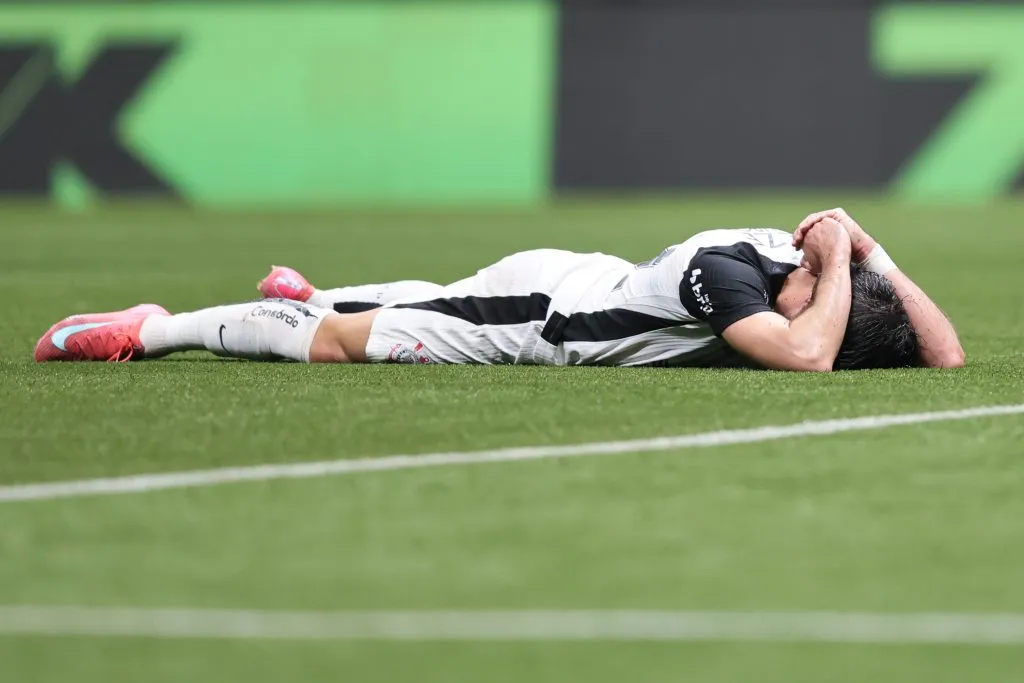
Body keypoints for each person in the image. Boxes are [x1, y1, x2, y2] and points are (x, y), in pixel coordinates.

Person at [34, 208, 964, 371]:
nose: (818, 313)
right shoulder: (724, 272)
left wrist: (871, 250)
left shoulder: (806, 274)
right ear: (807, 277)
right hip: (537, 319)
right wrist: (840, 263)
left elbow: (946, 351)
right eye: (820, 291)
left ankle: (318, 288)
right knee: (338, 344)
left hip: (569, 275)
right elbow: (806, 354)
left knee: (416, 298)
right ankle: (158, 328)